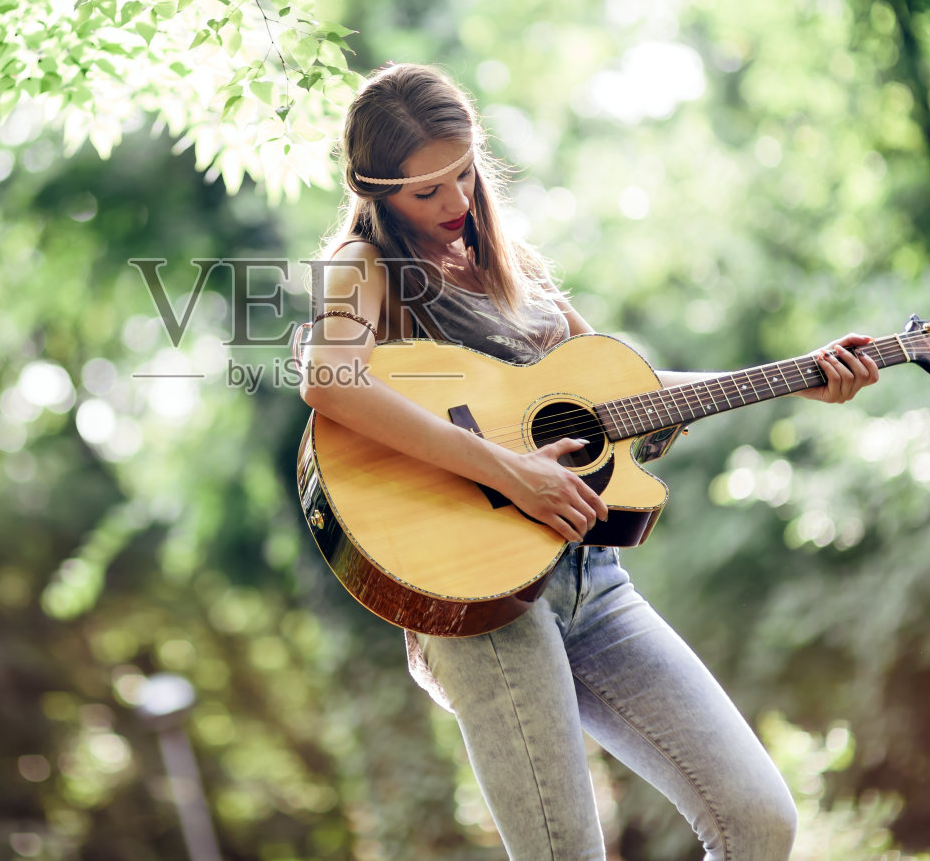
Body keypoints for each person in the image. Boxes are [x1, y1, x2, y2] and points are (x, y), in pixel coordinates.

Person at [297, 63, 879, 861]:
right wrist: (510, 471)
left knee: (757, 820)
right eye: (426, 191)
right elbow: (329, 380)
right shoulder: (358, 266)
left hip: (589, 581)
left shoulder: (514, 263)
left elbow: (624, 395)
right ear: (375, 191)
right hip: (478, 604)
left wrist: (797, 377)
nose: (457, 203)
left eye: (463, 173)